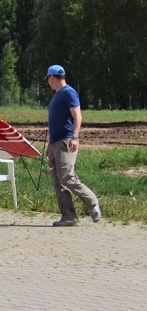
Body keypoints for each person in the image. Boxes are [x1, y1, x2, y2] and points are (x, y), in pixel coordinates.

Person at [45, 64, 101, 227]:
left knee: (66, 176)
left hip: (66, 141)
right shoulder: (57, 95)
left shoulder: (68, 92)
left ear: (52, 77)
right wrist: (49, 145)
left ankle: (92, 203)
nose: (48, 82)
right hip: (55, 143)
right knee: (57, 181)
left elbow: (77, 116)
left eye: (48, 79)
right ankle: (68, 217)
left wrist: (74, 137)